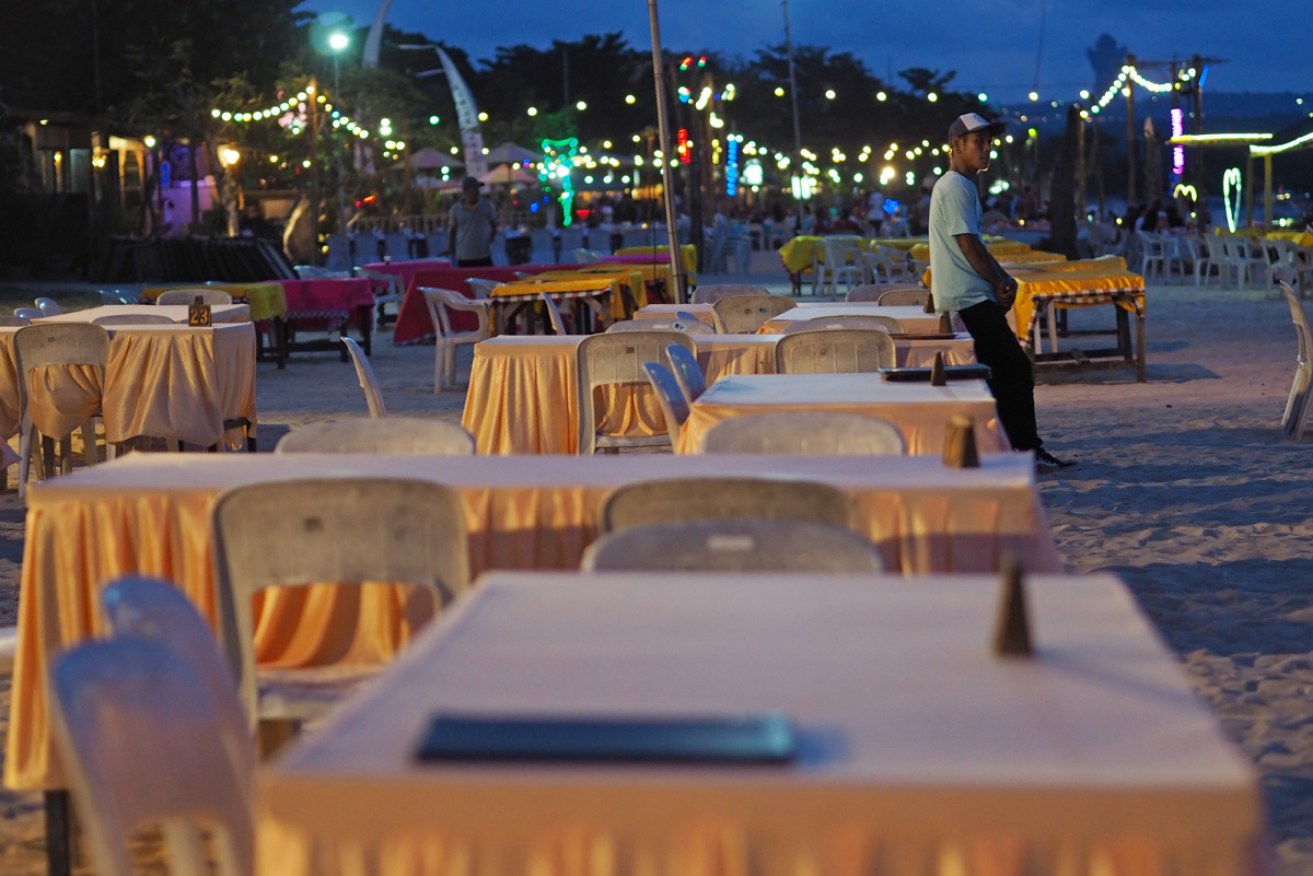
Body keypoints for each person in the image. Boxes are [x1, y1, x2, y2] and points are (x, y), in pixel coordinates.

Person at [929, 113, 1074, 472]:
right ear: (956, 146)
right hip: (969, 300)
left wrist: (1002, 279)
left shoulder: (957, 186)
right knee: (1015, 371)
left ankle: (1009, 448)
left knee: (999, 375)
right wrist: (998, 282)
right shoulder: (957, 186)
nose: (986, 149)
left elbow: (973, 243)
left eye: (989, 142)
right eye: (978, 142)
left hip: (968, 298)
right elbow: (968, 245)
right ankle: (1024, 451)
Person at [447, 176, 497, 267]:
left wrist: (490, 239)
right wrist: (451, 247)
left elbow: (493, 224)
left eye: (477, 189)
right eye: (474, 189)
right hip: (464, 255)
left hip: (483, 254)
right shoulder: (456, 209)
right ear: (466, 191)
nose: (477, 192)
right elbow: (453, 230)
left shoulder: (486, 205)